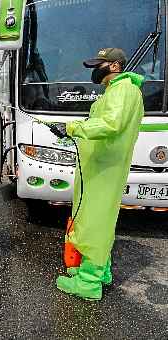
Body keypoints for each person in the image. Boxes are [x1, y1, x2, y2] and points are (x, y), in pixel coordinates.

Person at [53, 48, 145, 300]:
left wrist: (73, 127)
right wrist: (73, 133)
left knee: (95, 220)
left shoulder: (123, 89)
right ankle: (99, 270)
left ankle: (89, 282)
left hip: (105, 168)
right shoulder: (115, 90)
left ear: (114, 66)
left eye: (99, 64)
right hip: (99, 165)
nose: (96, 70)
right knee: (95, 218)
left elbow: (111, 124)